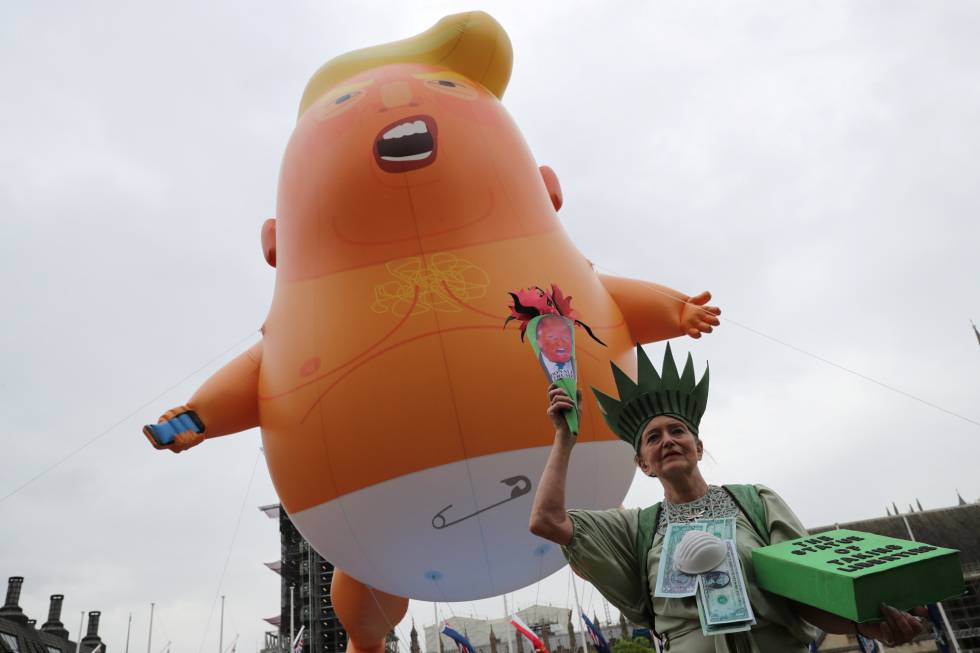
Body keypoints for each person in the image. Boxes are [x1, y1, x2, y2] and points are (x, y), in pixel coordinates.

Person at [529, 343, 926, 652]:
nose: (667, 440)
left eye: (677, 431)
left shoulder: (755, 503)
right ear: (643, 464)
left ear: (698, 447)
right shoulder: (636, 527)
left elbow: (807, 594)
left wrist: (867, 626)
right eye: (654, 437)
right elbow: (547, 521)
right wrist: (564, 438)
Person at [534, 315, 576, 382]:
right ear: (539, 341)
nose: (560, 343)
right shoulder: (531, 367)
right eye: (552, 337)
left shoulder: (577, 364)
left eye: (566, 337)